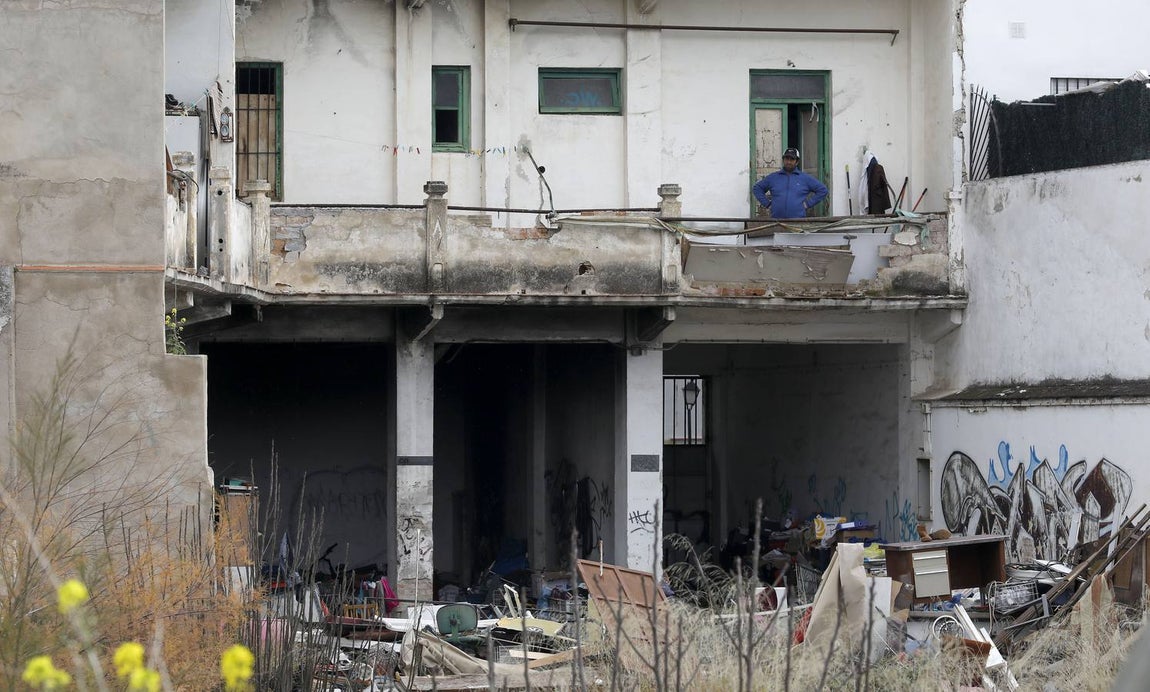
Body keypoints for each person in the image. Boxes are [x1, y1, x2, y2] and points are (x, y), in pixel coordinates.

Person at [752, 147, 828, 219]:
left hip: (797, 222)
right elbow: (757, 188)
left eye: (792, 159)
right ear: (783, 160)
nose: (788, 162)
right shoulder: (773, 177)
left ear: (797, 161)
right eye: (786, 158)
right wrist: (767, 204)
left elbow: (823, 190)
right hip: (776, 221)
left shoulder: (805, 178)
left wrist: (808, 204)